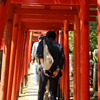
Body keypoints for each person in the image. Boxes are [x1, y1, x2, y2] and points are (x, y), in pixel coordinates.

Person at [36, 30, 65, 100]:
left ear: (46, 37)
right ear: (55, 37)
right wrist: (57, 70)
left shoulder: (42, 43)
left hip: (44, 69)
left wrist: (44, 68)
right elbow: (62, 58)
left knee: (41, 89)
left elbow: (40, 55)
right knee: (53, 91)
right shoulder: (59, 46)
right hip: (55, 70)